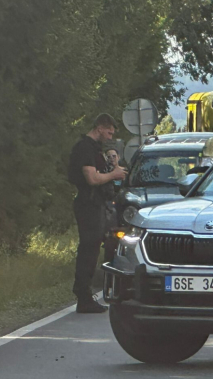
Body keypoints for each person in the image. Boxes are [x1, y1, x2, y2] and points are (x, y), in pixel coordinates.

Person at [68, 114, 126, 313]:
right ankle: (83, 295)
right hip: (88, 204)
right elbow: (92, 179)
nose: (110, 136)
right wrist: (114, 175)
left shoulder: (95, 149)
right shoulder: (85, 148)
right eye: (109, 132)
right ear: (100, 127)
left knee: (95, 248)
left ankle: (86, 293)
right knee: (89, 249)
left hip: (97, 204)